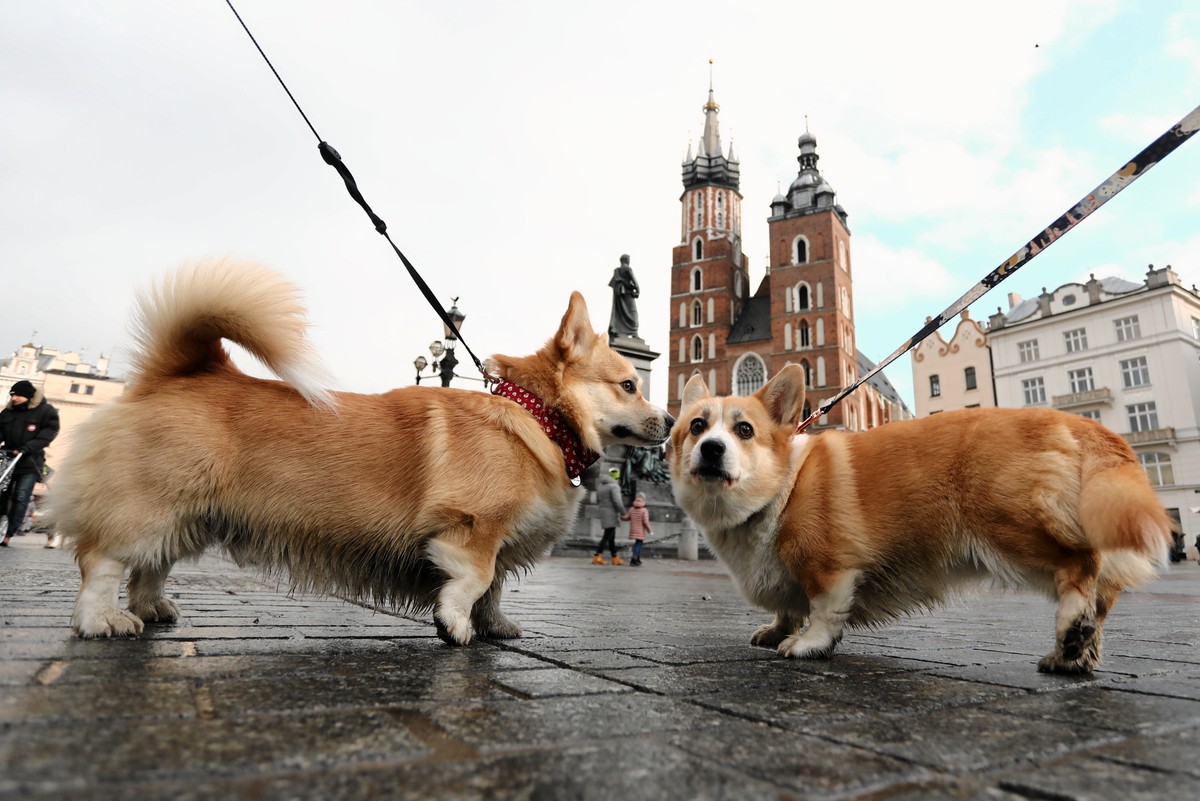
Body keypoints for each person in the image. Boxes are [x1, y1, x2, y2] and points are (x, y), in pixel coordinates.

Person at [1, 380, 59, 547]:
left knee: (21, 496)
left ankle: (9, 534)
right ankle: (2, 526)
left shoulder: (45, 411)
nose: (14, 398)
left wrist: (28, 447)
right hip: (8, 459)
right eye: (12, 395)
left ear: (28, 396)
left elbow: (49, 432)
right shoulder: (7, 413)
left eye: (18, 395)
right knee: (2, 496)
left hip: (30, 461)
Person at [592, 467, 626, 565]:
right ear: (617, 477)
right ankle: (597, 555)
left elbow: (597, 500)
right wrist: (623, 512)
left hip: (603, 512)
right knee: (607, 536)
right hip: (611, 513)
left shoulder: (601, 486)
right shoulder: (614, 487)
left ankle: (614, 557)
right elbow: (617, 501)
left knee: (611, 536)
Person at [607, 254, 640, 340]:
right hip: (628, 295)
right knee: (633, 313)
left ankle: (618, 331)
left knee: (620, 314)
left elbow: (613, 284)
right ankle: (634, 333)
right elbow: (634, 280)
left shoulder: (616, 271)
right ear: (627, 260)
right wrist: (638, 290)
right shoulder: (628, 269)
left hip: (619, 296)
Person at [620, 492, 652, 566]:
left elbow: (627, 517)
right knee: (639, 544)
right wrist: (650, 530)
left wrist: (621, 516)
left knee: (637, 544)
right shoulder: (644, 510)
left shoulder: (632, 509)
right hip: (640, 531)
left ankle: (637, 559)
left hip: (633, 530)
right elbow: (646, 522)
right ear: (644, 500)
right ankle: (634, 558)